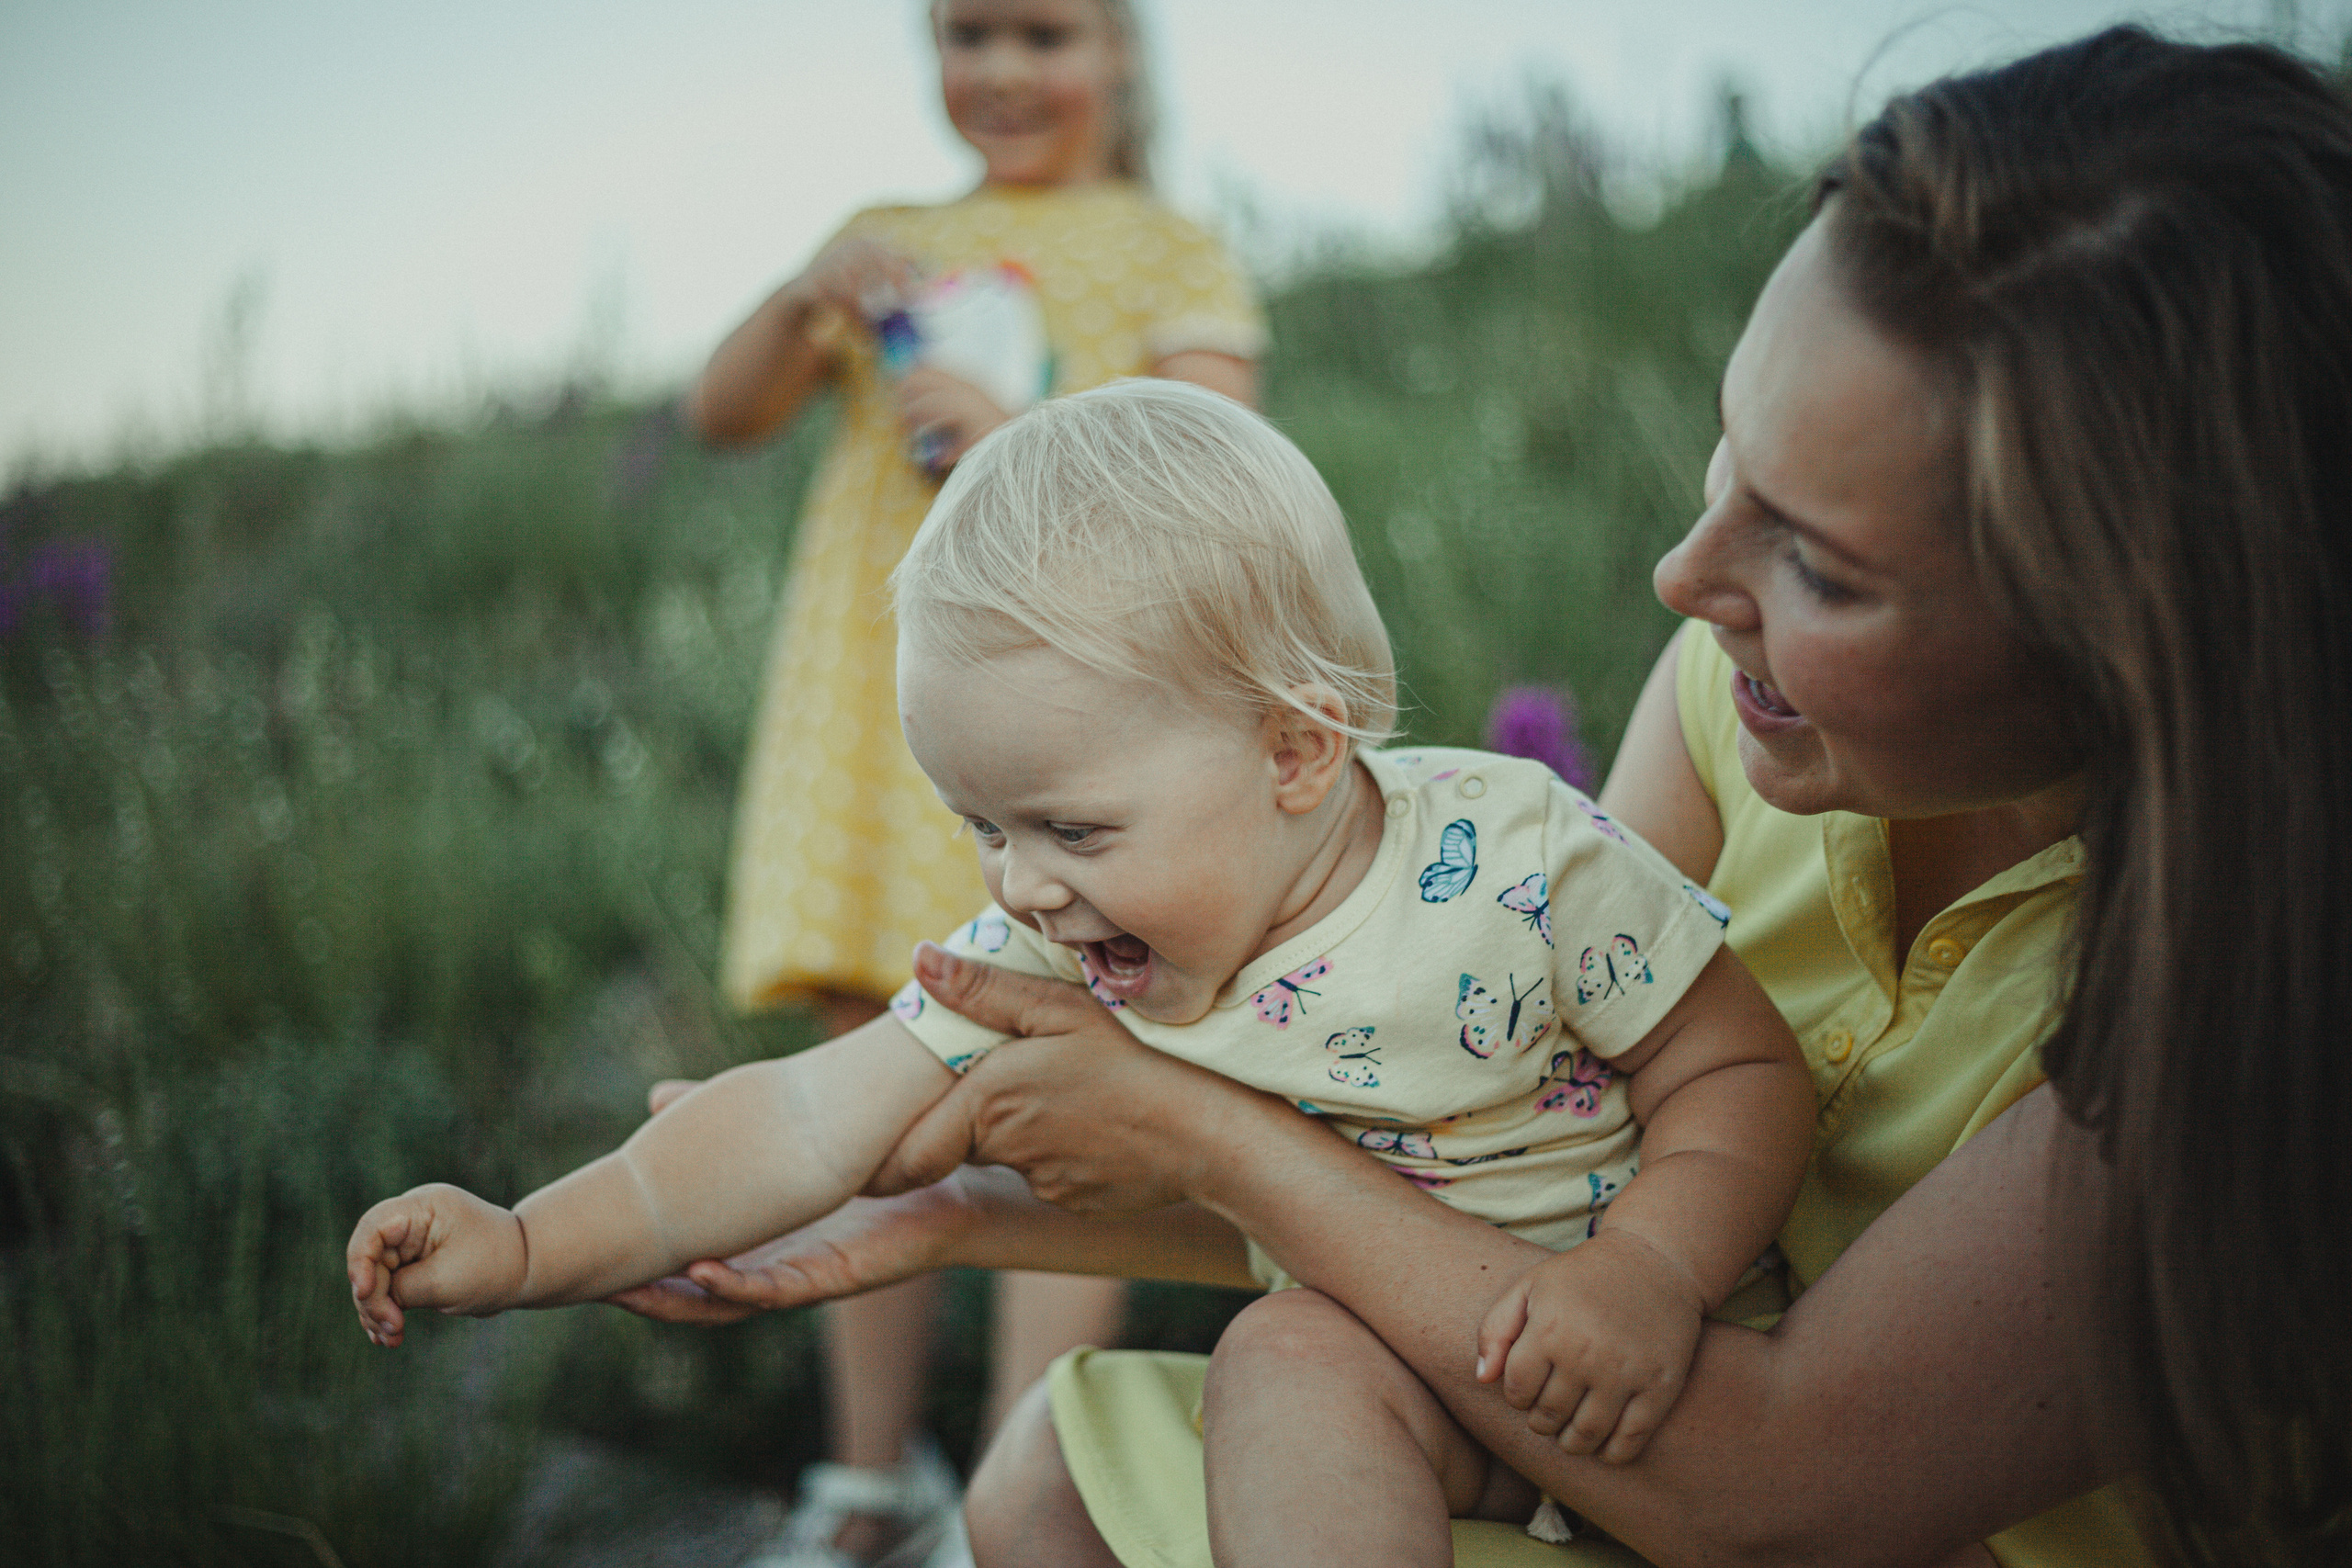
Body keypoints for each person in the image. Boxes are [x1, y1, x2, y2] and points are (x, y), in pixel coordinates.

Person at [613, 27, 2352, 1568]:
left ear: (2129, 635)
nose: (1685, 576)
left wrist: (1204, 1130)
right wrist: (945, 1208)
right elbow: (1479, 1164)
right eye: (1732, 455)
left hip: (1818, 1503)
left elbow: (1776, 1492)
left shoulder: (2259, 998)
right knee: (1052, 1476)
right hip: (1623, 1394)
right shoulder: (1747, 707)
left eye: (1816, 560)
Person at [348, 379, 1816, 1552]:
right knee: (1287, 1364)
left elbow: (1739, 1068)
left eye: (1070, 826)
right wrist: (534, 1243)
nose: (1017, 881)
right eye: (980, 824)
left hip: (1683, 1388)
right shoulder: (1062, 945)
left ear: (1296, 748)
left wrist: (1649, 1271)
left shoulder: (1512, 861)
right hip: (1433, 1416)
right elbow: (802, 1115)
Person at [683, 0, 1261, 1557]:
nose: (1002, 70)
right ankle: (868, 1482)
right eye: (966, 31)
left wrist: (1027, 437)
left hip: (1068, 727)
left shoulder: (1165, 247)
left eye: (1044, 32)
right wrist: (804, 287)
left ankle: (1017, 1493)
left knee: (1061, 1083)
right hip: (883, 719)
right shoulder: (886, 239)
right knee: (859, 1072)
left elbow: (1222, 472)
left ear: (1122, 52)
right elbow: (720, 414)